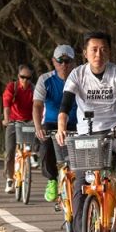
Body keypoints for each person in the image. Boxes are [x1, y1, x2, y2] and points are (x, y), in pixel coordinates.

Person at [55, 31, 116, 232]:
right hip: (87, 133)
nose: (98, 54)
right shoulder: (77, 75)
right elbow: (65, 105)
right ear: (85, 53)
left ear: (109, 52)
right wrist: (62, 127)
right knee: (80, 183)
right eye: (93, 49)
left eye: (103, 49)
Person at [32, 45, 78, 202]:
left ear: (73, 62)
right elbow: (37, 105)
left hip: (76, 123)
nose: (64, 65)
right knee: (45, 144)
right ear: (53, 61)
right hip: (51, 123)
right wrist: (38, 127)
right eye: (60, 61)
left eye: (68, 61)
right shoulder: (45, 80)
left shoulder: (81, 78)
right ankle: (52, 179)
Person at [2, 63, 35, 192]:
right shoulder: (12, 87)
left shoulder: (34, 89)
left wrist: (36, 121)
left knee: (38, 135)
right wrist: (6, 119)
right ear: (18, 76)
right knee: (10, 152)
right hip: (13, 122)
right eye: (22, 77)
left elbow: (38, 106)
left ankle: (33, 157)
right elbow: (6, 105)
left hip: (28, 121)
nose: (25, 80)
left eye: (28, 78)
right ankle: (10, 179)